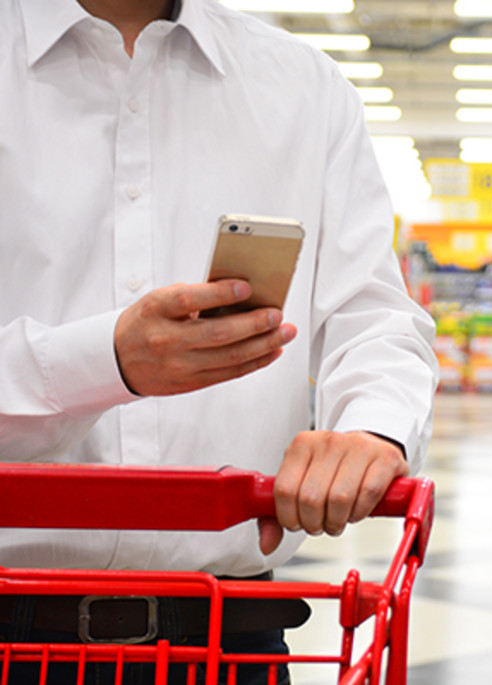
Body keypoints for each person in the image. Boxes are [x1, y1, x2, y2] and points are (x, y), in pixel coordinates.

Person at [0, 0, 439, 681]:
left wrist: (373, 430)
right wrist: (106, 361)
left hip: (231, 639)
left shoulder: (302, 87)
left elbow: (374, 314)